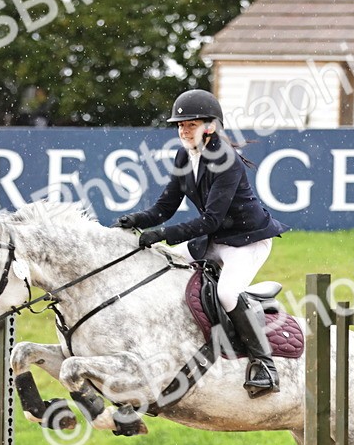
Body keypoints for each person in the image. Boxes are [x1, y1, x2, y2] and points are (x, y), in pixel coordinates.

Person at [114, 89, 290, 398]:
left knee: (227, 293)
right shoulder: (184, 156)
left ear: (210, 127)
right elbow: (165, 207)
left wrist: (163, 234)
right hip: (216, 239)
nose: (183, 131)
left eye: (191, 125)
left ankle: (264, 365)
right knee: (161, 265)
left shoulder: (226, 161)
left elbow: (211, 219)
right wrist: (137, 219)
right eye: (180, 125)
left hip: (247, 241)